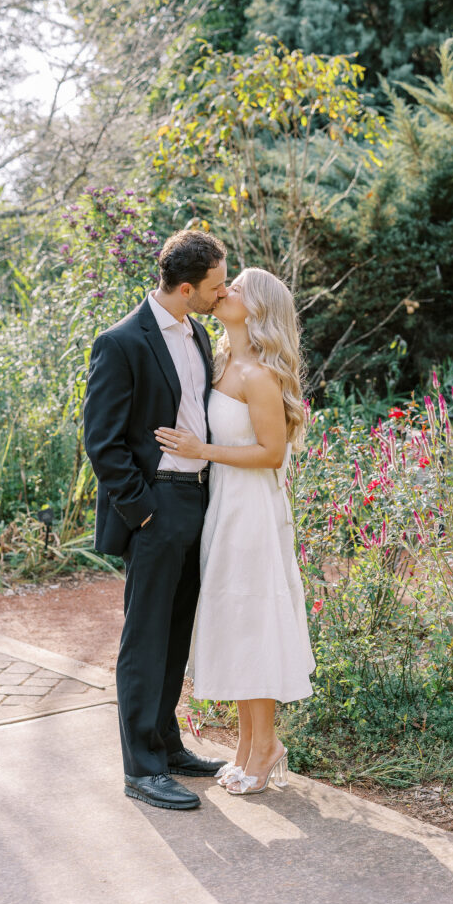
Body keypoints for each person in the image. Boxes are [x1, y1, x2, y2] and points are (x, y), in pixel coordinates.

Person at [83, 229, 229, 811]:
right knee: (144, 639)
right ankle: (140, 768)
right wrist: (143, 512)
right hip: (156, 505)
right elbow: (103, 442)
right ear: (187, 286)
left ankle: (167, 746)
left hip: (198, 499)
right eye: (216, 286)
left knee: (175, 633)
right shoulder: (121, 342)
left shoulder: (196, 331)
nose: (223, 295)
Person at [155, 267, 315, 795]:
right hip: (223, 508)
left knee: (254, 623)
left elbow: (271, 453)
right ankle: (249, 747)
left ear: (259, 310)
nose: (224, 291)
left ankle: (265, 747)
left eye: (237, 287)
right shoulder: (222, 360)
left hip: (251, 514)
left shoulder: (259, 375)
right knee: (236, 623)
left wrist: (202, 452)